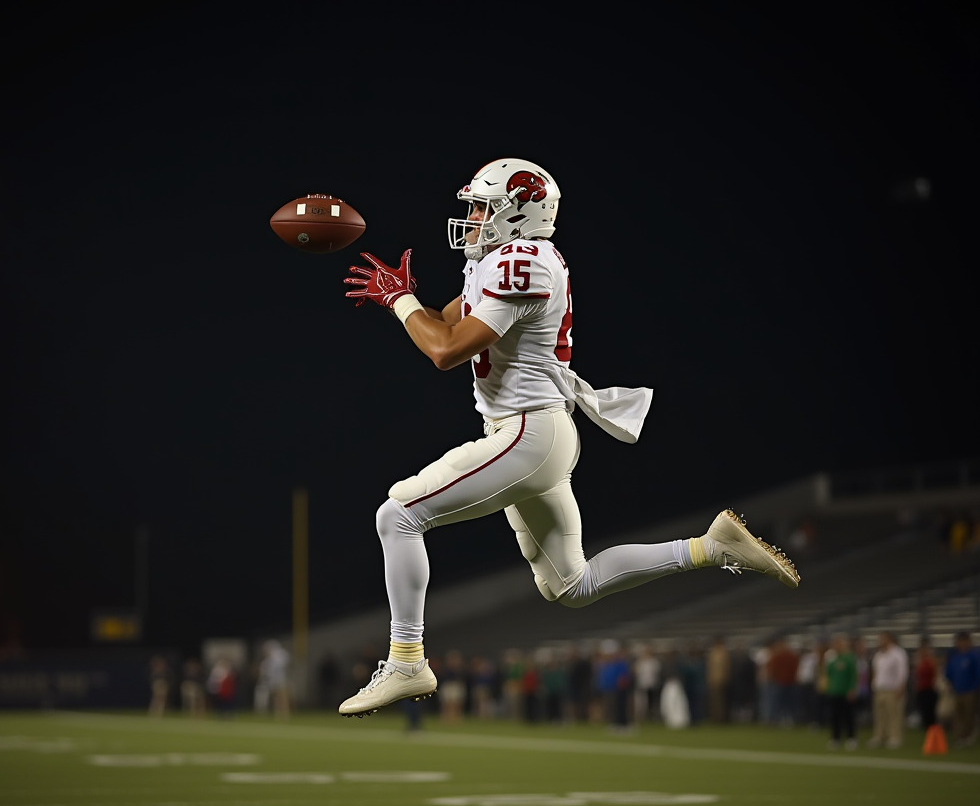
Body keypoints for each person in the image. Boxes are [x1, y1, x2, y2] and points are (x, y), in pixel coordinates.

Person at [336, 158, 800, 717]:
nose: (474, 219)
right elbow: (446, 323)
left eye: (485, 208)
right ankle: (708, 548)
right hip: (534, 435)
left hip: (529, 434)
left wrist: (398, 301)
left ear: (519, 215)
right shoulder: (501, 260)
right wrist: (407, 298)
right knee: (570, 584)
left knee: (399, 514)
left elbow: (443, 351)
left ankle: (407, 659)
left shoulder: (525, 264)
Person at [867, 631, 909, 748]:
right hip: (880, 689)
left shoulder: (898, 653)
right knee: (880, 715)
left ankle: (895, 737)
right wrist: (874, 684)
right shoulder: (878, 655)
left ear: (888, 639)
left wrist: (901, 687)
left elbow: (903, 672)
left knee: (894, 714)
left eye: (882, 639)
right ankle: (879, 736)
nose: (879, 642)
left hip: (893, 689)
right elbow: (875, 671)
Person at [945, 631, 980, 746]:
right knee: (958, 715)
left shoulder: (974, 655)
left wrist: (975, 687)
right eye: (959, 641)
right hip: (957, 690)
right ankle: (960, 736)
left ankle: (968, 736)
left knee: (969, 714)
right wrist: (951, 684)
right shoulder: (955, 656)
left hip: (970, 691)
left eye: (963, 640)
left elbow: (979, 672)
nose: (961, 643)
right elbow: (949, 672)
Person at [822, 633, 858, 750]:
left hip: (845, 692)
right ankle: (835, 738)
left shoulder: (849, 658)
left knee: (848, 716)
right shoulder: (832, 659)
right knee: (834, 717)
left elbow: (853, 675)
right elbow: (828, 674)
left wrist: (851, 689)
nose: (837, 646)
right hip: (834, 691)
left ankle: (851, 738)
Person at [913, 636, 939, 731]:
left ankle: (932, 731)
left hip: (929, 689)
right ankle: (927, 730)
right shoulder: (919, 661)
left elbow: (935, 674)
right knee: (924, 712)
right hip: (921, 689)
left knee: (930, 713)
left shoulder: (931, 660)